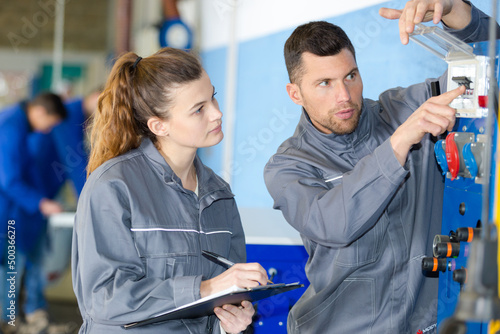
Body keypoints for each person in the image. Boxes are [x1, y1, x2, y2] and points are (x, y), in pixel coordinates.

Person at [263, 0, 499, 333]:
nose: (344, 96)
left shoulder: (405, 109)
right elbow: (335, 224)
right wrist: (399, 143)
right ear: (295, 93)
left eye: (351, 76)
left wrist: (454, 10)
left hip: (428, 323)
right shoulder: (287, 167)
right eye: (324, 84)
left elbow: (487, 65)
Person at [71, 48, 269, 334]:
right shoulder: (113, 186)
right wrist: (205, 288)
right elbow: (103, 298)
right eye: (199, 109)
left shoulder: (219, 194)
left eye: (213, 96)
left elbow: (228, 294)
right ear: (159, 125)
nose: (217, 113)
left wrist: (233, 322)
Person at [0, 92, 67, 333]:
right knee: (9, 265)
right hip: (6, 212)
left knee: (14, 263)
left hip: (14, 209)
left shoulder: (20, 125)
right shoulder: (10, 127)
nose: (48, 129)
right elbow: (9, 181)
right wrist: (41, 203)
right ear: (39, 112)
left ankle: (17, 318)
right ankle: (9, 321)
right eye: (49, 123)